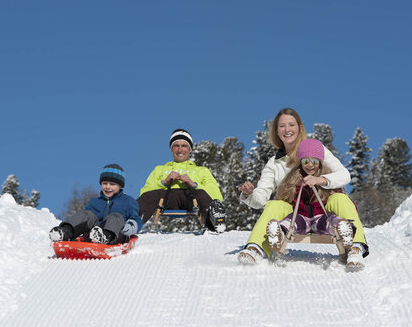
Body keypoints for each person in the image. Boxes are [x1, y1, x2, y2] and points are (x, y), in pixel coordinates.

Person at [237, 108, 352, 264]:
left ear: (300, 128)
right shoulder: (274, 163)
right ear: (276, 131)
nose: (287, 130)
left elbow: (344, 175)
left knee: (341, 199)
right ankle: (255, 248)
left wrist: (322, 180)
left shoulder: (316, 150)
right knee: (274, 205)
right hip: (294, 214)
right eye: (282, 126)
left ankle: (355, 246)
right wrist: (249, 194)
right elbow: (261, 199)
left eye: (291, 125)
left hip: (323, 208)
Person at [265, 139, 368, 268]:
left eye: (314, 161)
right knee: (290, 221)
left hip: (321, 217)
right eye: (305, 161)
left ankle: (345, 231)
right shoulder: (294, 179)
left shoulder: (327, 178)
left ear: (320, 162)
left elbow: (341, 195)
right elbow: (283, 197)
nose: (310, 165)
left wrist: (320, 181)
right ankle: (279, 232)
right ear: (300, 162)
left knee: (332, 220)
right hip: (301, 217)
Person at [137, 129, 226, 233]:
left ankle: (215, 225)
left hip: (192, 198)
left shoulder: (201, 170)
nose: (180, 150)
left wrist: (193, 184)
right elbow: (144, 192)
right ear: (171, 149)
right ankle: (131, 224)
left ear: (190, 149)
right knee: (148, 196)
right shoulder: (159, 169)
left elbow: (216, 195)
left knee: (202, 194)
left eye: (184, 146)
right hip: (166, 197)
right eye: (176, 146)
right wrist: (164, 182)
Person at [49, 164, 143, 245]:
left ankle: (105, 236)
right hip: (92, 235)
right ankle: (65, 232)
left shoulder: (128, 201)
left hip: (116, 236)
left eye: (112, 184)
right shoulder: (94, 202)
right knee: (87, 214)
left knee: (116, 216)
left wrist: (131, 226)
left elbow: (136, 219)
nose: (107, 187)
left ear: (120, 186)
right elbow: (84, 221)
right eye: (104, 183)